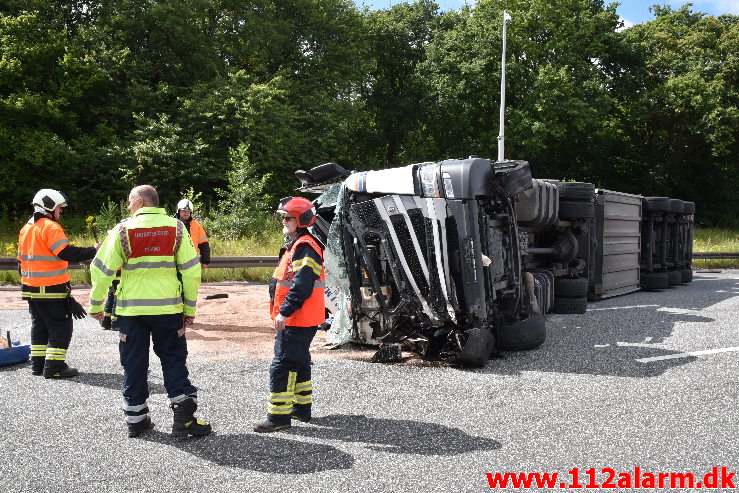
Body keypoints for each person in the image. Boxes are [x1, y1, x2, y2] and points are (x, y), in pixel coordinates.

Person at [88, 185, 212, 439]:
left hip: (132, 311)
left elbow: (101, 270)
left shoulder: (122, 230)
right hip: (168, 309)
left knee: (133, 362)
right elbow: (191, 271)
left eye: (130, 201)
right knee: (173, 359)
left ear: (141, 201)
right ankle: (183, 419)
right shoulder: (176, 228)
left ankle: (136, 420)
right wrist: (189, 309)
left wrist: (96, 305)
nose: (128, 205)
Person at [254, 196, 325, 433]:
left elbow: (302, 285)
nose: (283, 221)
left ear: (300, 220)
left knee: (282, 364)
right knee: (300, 360)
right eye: (283, 217)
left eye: (287, 218)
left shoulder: (304, 246)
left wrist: (284, 312)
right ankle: (301, 408)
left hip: (297, 318)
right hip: (302, 318)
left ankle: (278, 416)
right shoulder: (298, 244)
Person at [17, 189, 99, 378]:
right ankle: (54, 367)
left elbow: (21, 262)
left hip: (30, 289)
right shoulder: (50, 227)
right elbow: (66, 253)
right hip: (51, 288)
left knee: (40, 325)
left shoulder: (26, 228)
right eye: (59, 208)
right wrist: (93, 250)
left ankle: (38, 365)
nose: (60, 212)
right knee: (60, 326)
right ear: (49, 207)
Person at [174, 199, 210, 268]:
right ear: (178, 211)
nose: (186, 213)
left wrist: (205, 261)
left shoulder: (197, 226)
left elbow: (204, 244)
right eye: (184, 211)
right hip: (174, 261)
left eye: (188, 211)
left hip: (191, 262)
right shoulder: (172, 224)